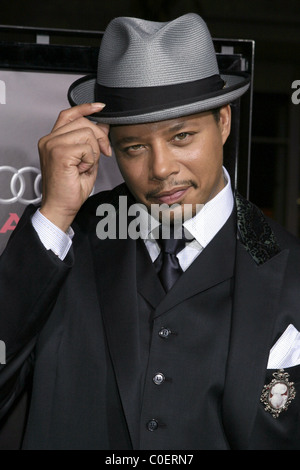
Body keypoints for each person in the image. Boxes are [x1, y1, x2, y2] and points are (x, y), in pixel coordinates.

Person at [1, 13, 300, 451]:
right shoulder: (66, 240)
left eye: (181, 136)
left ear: (223, 122)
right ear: (108, 147)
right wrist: (56, 213)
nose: (161, 170)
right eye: (134, 147)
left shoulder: (288, 267)